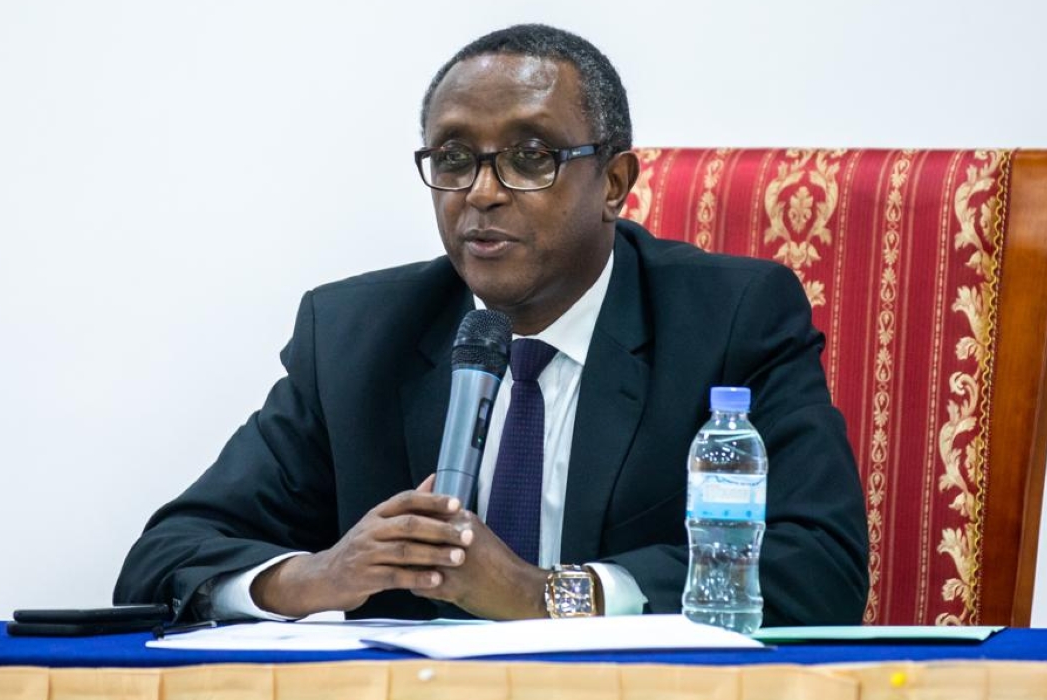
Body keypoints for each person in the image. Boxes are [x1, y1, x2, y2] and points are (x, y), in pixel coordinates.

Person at [114, 24, 868, 625]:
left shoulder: (732, 320)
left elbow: (820, 568)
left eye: (530, 157)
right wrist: (316, 577)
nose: (480, 192)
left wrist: (548, 594)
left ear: (613, 183)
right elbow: (166, 557)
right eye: (452, 158)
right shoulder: (352, 335)